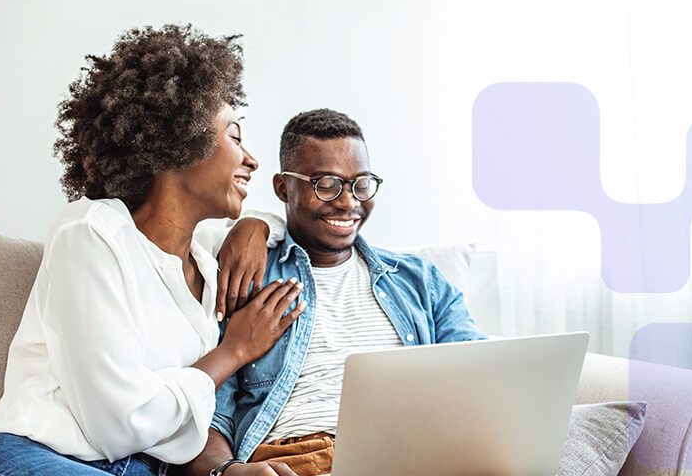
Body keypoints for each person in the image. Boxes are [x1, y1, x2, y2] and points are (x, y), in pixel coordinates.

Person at [0, 25, 304, 476]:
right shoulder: (92, 233)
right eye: (235, 135)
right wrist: (234, 351)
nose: (252, 159)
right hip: (36, 455)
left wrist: (254, 222)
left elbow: (294, 221)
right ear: (180, 140)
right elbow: (117, 424)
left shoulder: (207, 265)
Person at [185, 109, 487, 476]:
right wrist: (228, 471)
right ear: (283, 188)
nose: (348, 202)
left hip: (413, 459)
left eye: (361, 184)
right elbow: (206, 414)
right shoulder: (246, 275)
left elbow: (483, 379)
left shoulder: (421, 281)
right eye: (326, 184)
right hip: (296, 460)